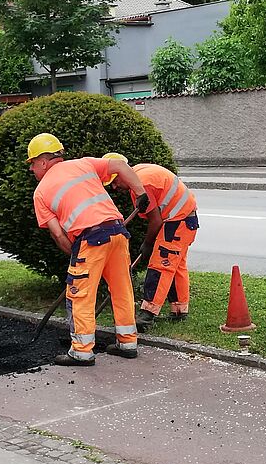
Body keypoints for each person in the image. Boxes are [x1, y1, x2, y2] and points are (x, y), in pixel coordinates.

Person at [27, 133, 154, 367]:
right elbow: (119, 164)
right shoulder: (83, 164)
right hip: (117, 233)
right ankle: (128, 343)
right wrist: (140, 192)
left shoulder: (41, 192)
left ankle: (81, 351)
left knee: (79, 294)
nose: (32, 170)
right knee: (122, 289)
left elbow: (57, 234)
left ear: (43, 162)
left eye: (32, 164)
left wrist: (75, 254)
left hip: (90, 239)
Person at [101, 153, 199, 328]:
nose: (115, 187)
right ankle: (179, 310)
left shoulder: (143, 184)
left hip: (177, 222)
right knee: (175, 266)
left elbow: (156, 220)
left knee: (161, 266)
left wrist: (147, 244)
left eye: (115, 182)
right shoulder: (139, 174)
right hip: (184, 219)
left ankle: (147, 314)